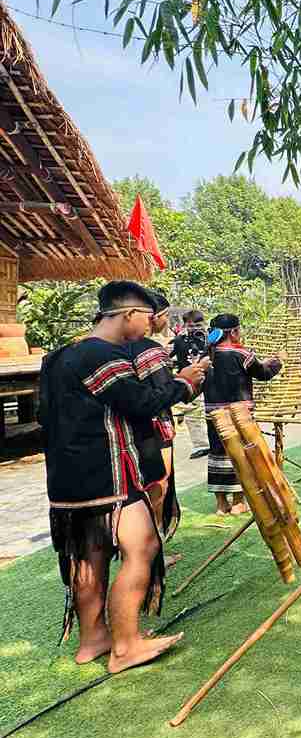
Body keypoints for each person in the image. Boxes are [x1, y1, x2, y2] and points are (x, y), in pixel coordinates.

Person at [38, 280, 207, 671]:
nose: (150, 324)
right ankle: (126, 646)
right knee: (143, 546)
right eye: (148, 316)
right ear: (129, 313)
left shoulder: (59, 355)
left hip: (67, 480)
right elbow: (140, 402)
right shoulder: (102, 354)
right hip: (108, 475)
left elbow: (45, 416)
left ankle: (93, 639)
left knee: (89, 558)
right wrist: (185, 382)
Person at [204, 313, 283, 515]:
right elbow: (263, 373)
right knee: (241, 454)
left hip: (214, 414)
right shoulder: (241, 354)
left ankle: (221, 503)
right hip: (239, 415)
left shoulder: (207, 355)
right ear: (233, 332)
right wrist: (277, 362)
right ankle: (239, 503)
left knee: (218, 453)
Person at [126, 291, 183, 548]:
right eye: (165, 315)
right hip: (154, 429)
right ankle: (153, 549)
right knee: (158, 486)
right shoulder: (150, 350)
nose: (166, 320)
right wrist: (188, 382)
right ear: (153, 316)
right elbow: (166, 392)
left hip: (128, 431)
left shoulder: (116, 348)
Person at [170, 309, 211, 459]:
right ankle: (201, 445)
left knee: (212, 413)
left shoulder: (210, 339)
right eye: (191, 326)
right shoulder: (179, 340)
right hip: (191, 381)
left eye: (198, 325)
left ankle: (215, 443)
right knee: (191, 413)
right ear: (185, 326)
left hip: (211, 380)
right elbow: (169, 357)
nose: (195, 329)